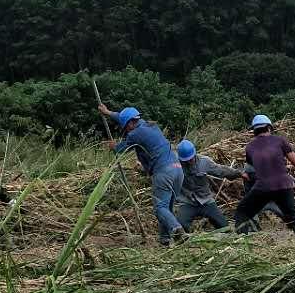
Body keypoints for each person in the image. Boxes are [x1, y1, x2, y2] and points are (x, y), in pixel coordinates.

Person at [96, 103, 186, 245]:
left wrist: (114, 146)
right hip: (177, 169)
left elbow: (121, 149)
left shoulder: (135, 134)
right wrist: (107, 112)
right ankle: (164, 240)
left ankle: (177, 231)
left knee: (160, 208)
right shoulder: (149, 125)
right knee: (166, 208)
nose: (125, 131)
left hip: (164, 172)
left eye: (125, 127)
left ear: (131, 123)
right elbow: (122, 117)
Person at [234, 114, 295, 235]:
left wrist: (242, 175)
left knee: (242, 212)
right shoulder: (280, 140)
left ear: (254, 131)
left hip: (263, 187)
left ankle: (242, 241)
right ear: (269, 128)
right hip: (284, 185)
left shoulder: (249, 147)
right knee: (293, 215)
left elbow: (252, 169)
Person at [173, 139, 245, 232]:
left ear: (194, 154)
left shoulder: (204, 162)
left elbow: (221, 170)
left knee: (224, 227)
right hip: (187, 202)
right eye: (185, 160)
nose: (188, 162)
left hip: (206, 201)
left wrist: (239, 173)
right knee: (180, 228)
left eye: (190, 159)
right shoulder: (175, 165)